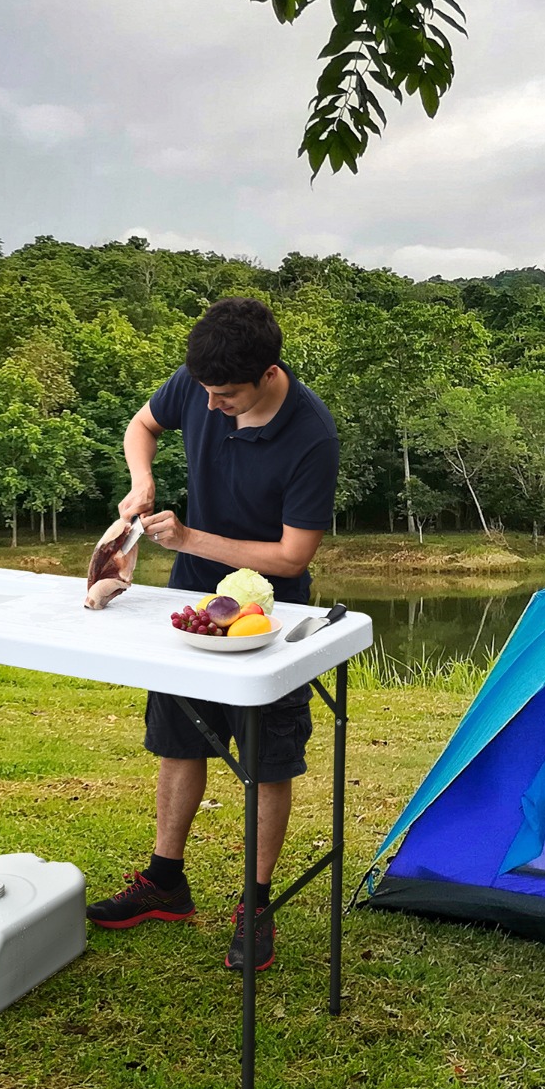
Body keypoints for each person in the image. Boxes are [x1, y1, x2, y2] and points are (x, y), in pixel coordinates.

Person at [86, 296, 340, 972]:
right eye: (204, 392)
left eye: (225, 396)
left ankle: (255, 902)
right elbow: (142, 425)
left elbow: (292, 558)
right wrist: (142, 483)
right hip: (191, 602)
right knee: (179, 739)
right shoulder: (201, 383)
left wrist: (193, 536)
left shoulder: (311, 434)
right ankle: (165, 882)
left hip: (270, 615)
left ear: (266, 374)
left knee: (266, 760)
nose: (211, 405)